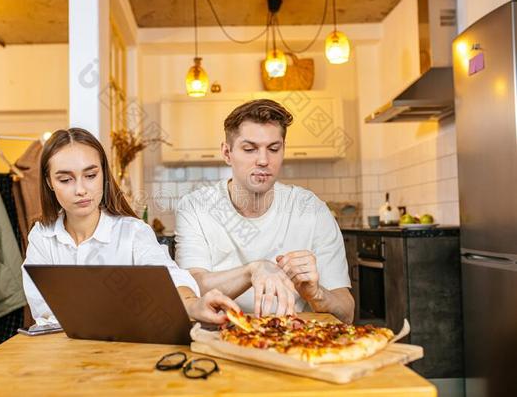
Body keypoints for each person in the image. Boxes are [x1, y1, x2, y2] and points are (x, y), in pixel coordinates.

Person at [22, 128, 239, 326]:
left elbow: (169, 278)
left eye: (90, 176)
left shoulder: (134, 232)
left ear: (104, 174)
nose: (80, 189)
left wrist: (193, 304)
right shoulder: (42, 236)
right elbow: (43, 310)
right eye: (65, 179)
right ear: (49, 182)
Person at [175, 99, 355, 323]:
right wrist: (253, 270)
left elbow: (347, 313)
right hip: (220, 334)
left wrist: (317, 294)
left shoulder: (312, 210)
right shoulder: (195, 207)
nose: (263, 160)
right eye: (249, 149)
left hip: (296, 340)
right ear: (226, 152)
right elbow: (191, 289)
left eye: (273, 149)